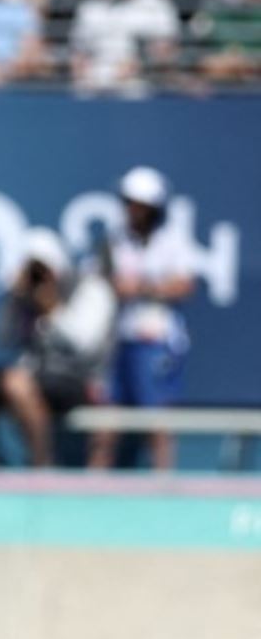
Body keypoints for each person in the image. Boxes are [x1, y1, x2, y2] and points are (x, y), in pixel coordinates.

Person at [0, 228, 115, 469]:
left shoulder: (90, 289)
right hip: (26, 376)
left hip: (74, 379)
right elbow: (1, 338)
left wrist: (51, 310)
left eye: (41, 270)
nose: (37, 277)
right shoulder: (23, 295)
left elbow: (83, 345)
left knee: (16, 383)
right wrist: (13, 300)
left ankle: (41, 464)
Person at [89, 167, 197, 471]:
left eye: (135, 203)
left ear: (152, 208)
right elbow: (107, 282)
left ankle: (165, 494)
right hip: (120, 342)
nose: (129, 210)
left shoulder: (172, 241)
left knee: (157, 424)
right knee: (105, 424)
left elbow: (185, 284)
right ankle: (90, 496)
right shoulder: (114, 241)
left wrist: (142, 287)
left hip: (156, 343)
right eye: (126, 202)